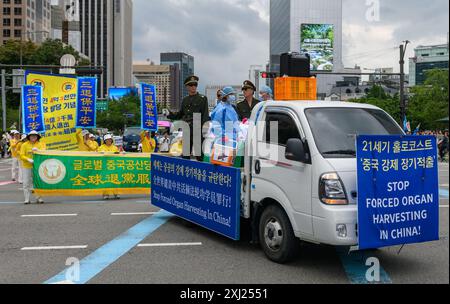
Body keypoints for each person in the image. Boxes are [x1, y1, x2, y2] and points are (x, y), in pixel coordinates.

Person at [168, 75, 209, 159]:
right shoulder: (185, 100)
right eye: (191, 85)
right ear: (187, 87)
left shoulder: (202, 98)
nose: (194, 87)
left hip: (198, 129)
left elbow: (205, 115)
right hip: (186, 128)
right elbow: (180, 114)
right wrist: (170, 115)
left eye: (195, 85)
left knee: (199, 155)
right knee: (185, 155)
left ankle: (201, 171)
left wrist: (204, 130)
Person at [20, 131, 46, 205]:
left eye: (35, 136)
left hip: (37, 166)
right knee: (26, 183)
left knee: (37, 182)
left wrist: (38, 150)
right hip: (26, 166)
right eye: (32, 136)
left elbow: (44, 152)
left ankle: (39, 198)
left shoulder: (40, 144)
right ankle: (26, 199)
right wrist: (28, 159)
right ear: (29, 137)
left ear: (37, 137)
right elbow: (21, 155)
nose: (33, 137)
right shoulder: (24, 145)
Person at [98, 134, 120, 200]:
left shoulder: (115, 147)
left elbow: (118, 155)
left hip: (113, 166)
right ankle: (105, 194)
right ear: (105, 141)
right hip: (104, 166)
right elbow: (98, 155)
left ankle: (116, 193)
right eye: (107, 140)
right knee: (105, 180)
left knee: (114, 179)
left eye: (110, 139)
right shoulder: (101, 147)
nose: (109, 141)